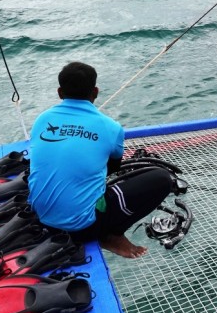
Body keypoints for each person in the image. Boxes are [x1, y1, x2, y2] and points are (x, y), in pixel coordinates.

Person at [27, 61, 174, 258]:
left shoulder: (42, 120)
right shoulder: (110, 127)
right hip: (82, 228)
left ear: (60, 92)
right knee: (162, 178)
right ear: (95, 92)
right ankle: (111, 235)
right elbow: (113, 168)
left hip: (40, 217)